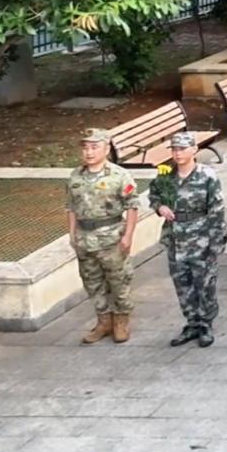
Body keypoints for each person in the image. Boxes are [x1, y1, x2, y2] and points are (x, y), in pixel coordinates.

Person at [149, 132, 226, 348]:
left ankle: (206, 323)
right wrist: (160, 207)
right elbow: (154, 195)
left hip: (200, 237)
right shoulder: (166, 176)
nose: (178, 153)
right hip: (175, 238)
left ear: (194, 150)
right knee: (182, 284)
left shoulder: (207, 176)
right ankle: (192, 323)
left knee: (205, 283)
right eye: (174, 149)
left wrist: (216, 241)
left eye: (182, 149)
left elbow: (216, 209)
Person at [68, 129, 143, 345]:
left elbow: (132, 206)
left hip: (111, 237)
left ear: (106, 149)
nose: (89, 152)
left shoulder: (119, 175)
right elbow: (71, 207)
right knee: (92, 282)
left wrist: (128, 235)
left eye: (94, 147)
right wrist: (72, 234)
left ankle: (121, 320)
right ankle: (103, 321)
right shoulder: (75, 176)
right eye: (85, 147)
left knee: (118, 280)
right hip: (85, 238)